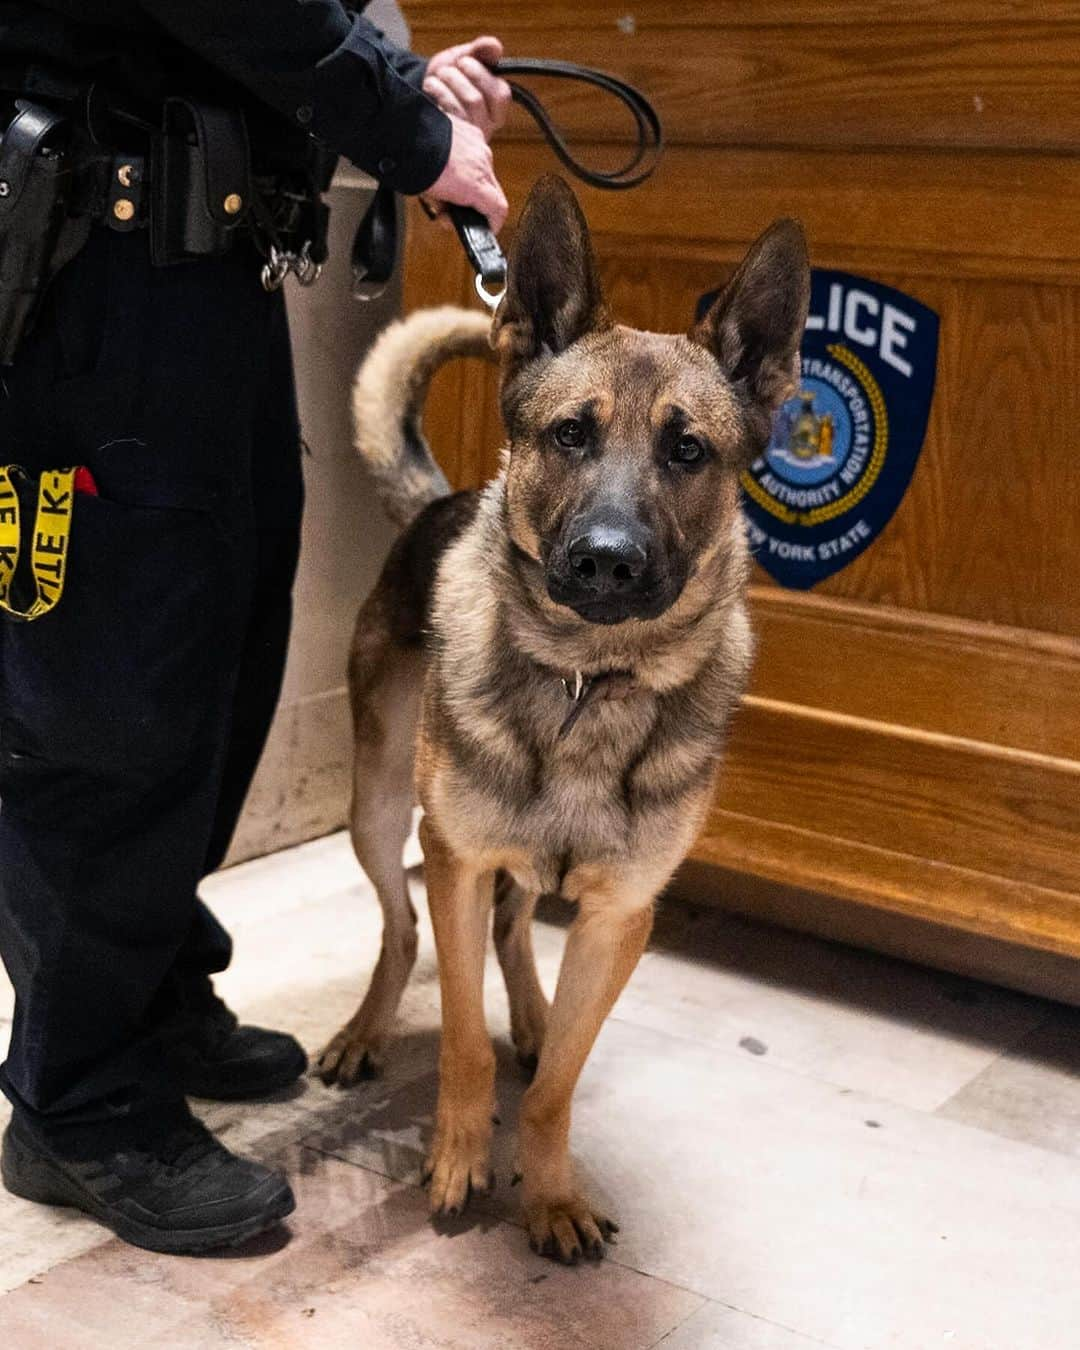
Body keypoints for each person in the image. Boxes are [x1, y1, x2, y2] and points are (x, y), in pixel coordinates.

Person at [0, 0, 510, 1254]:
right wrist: (403, 127)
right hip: (90, 271)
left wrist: (401, 83)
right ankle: (77, 1096)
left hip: (202, 275)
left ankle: (153, 984)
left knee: (220, 651)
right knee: (113, 694)